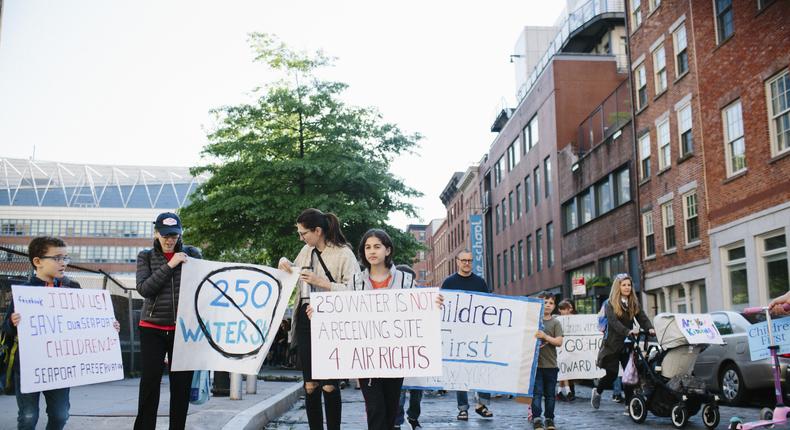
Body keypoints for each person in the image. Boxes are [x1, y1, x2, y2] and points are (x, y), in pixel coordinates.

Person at [2, 236, 120, 430]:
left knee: (60, 415)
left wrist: (108, 327)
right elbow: (6, 330)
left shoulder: (73, 289)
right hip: (27, 367)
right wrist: (12, 322)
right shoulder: (24, 292)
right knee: (28, 416)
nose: (63, 263)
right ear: (37, 262)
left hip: (60, 368)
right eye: (57, 258)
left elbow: (86, 324)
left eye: (66, 258)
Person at [278, 208, 359, 430]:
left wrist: (322, 283)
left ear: (318, 230)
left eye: (303, 233)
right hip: (306, 318)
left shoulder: (344, 254)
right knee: (310, 384)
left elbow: (355, 291)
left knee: (329, 384)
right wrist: (284, 262)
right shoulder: (306, 251)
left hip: (331, 321)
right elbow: (292, 274)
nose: (301, 238)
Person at [342, 229, 417, 429]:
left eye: (377, 246)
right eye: (367, 247)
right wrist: (321, 314)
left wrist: (435, 303)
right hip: (367, 357)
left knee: (391, 410)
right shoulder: (356, 282)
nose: (372, 251)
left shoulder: (406, 281)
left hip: (395, 355)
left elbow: (419, 311)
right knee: (375, 409)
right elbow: (342, 313)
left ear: (388, 250)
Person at [134, 212, 202, 430]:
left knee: (181, 386)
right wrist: (170, 265)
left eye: (174, 235)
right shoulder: (145, 256)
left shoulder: (192, 254)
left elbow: (203, 286)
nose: (170, 240)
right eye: (165, 235)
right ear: (156, 233)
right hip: (151, 327)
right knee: (150, 384)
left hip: (182, 329)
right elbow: (145, 289)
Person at [440, 250, 493, 421]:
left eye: (470, 260)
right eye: (463, 260)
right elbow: (442, 306)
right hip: (457, 334)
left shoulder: (480, 283)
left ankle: (482, 404)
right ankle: (463, 408)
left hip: (478, 333)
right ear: (457, 262)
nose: (467, 263)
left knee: (482, 367)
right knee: (461, 371)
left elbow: (489, 306)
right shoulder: (448, 282)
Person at [591, 273, 654, 410]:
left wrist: (649, 328)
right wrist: (627, 331)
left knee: (629, 373)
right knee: (612, 375)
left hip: (628, 344)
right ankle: (598, 391)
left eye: (629, 285)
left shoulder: (633, 303)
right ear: (618, 287)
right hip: (612, 344)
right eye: (624, 285)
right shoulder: (610, 304)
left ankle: (628, 405)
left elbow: (642, 317)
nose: (627, 287)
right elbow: (613, 323)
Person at [394, 264, 424, 430]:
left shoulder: (421, 300)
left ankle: (413, 416)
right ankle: (397, 420)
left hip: (417, 351)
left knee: (416, 390)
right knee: (399, 390)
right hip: (398, 352)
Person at [532, 292, 564, 430]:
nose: (548, 305)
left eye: (551, 303)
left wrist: (545, 336)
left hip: (551, 365)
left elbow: (559, 341)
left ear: (554, 306)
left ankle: (549, 418)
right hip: (535, 366)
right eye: (545, 302)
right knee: (537, 394)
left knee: (550, 395)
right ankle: (537, 418)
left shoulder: (555, 322)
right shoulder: (533, 322)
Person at [556, 299, 576, 402]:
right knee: (564, 368)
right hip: (560, 347)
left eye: (568, 309)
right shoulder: (558, 319)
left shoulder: (572, 319)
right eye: (565, 309)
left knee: (565, 369)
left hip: (569, 347)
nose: (567, 311)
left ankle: (560, 392)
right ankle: (568, 392)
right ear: (560, 310)